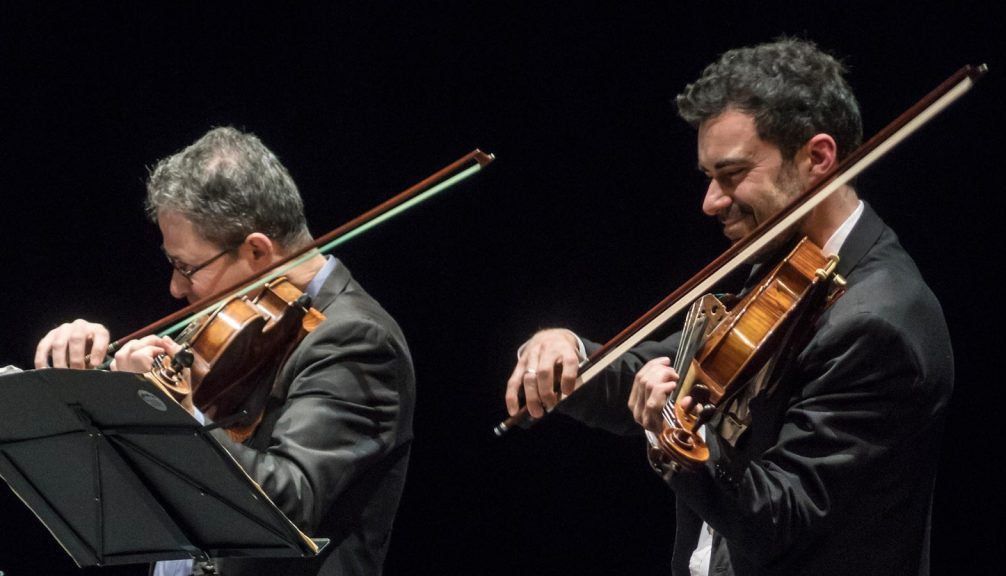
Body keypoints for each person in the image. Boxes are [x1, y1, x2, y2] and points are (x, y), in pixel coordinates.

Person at [505, 38, 953, 576]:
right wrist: (570, 351)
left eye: (732, 174)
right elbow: (664, 370)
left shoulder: (877, 325)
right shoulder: (785, 266)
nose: (711, 202)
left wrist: (673, 439)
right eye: (708, 177)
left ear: (818, 158)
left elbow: (779, 521)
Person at [35, 126, 415, 576]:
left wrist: (169, 410)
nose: (175, 288)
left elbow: (289, 501)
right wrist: (94, 383)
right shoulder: (244, 324)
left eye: (186, 267)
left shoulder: (356, 339)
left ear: (256, 250)